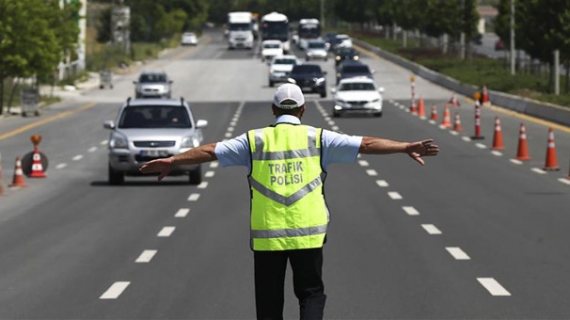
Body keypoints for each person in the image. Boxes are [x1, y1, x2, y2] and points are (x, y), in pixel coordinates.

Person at [139, 83, 440, 319]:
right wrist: (404, 146)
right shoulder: (319, 138)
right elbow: (366, 143)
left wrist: (173, 160)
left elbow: (210, 151)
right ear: (303, 109)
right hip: (309, 233)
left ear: (272, 109)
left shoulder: (253, 141)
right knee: (310, 294)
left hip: (267, 237)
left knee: (269, 305)